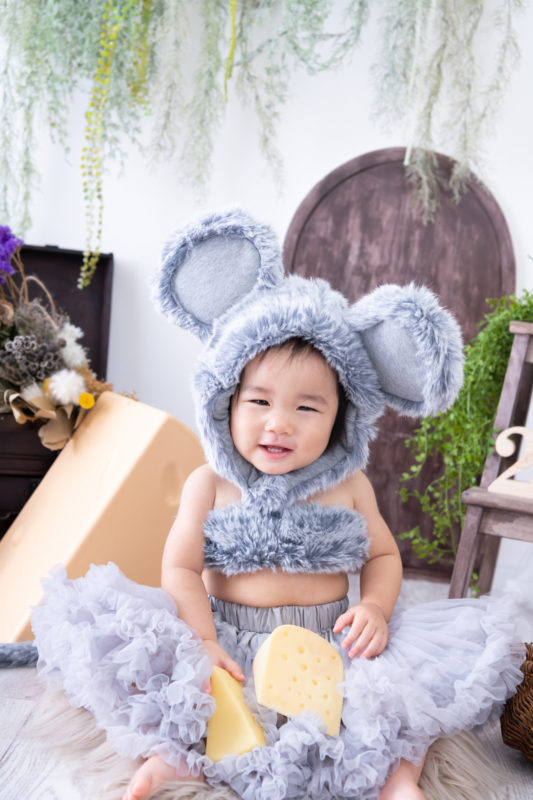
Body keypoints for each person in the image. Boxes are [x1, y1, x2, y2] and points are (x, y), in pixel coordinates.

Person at [31, 210, 523, 800]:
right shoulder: (209, 484)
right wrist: (203, 640)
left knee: (395, 707)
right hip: (229, 638)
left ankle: (398, 779)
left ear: (341, 418)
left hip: (331, 647)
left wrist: (373, 606)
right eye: (259, 401)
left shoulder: (349, 486)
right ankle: (173, 762)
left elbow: (384, 556)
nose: (278, 424)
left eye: (307, 408)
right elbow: (181, 567)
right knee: (189, 698)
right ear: (226, 400)